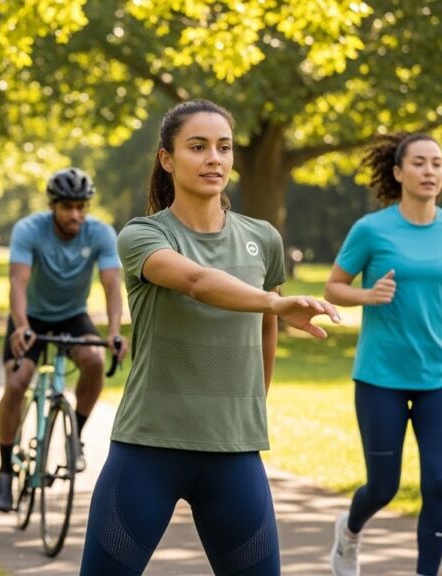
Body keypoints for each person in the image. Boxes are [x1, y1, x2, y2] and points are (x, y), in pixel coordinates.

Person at [79, 99, 341, 575]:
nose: (214, 159)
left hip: (235, 456)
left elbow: (265, 330)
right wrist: (276, 302)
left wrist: (250, 405)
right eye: (197, 147)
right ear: (167, 159)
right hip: (148, 450)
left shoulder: (263, 238)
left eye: (223, 147)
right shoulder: (142, 235)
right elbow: (197, 282)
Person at [323, 133, 442, 576]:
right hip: (380, 378)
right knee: (383, 488)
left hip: (438, 377)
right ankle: (349, 533)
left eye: (437, 164)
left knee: (439, 482)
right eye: (419, 163)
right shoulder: (372, 229)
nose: (430, 172)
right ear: (398, 172)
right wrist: (367, 296)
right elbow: (333, 286)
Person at [0, 167, 127, 512]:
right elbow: (18, 283)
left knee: (94, 362)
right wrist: (21, 326)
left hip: (71, 315)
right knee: (18, 381)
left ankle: (74, 437)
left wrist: (114, 331)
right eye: (67, 207)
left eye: (81, 206)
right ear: (53, 206)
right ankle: (5, 470)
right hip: (30, 316)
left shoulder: (99, 233)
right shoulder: (29, 230)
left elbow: (112, 285)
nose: (75, 214)